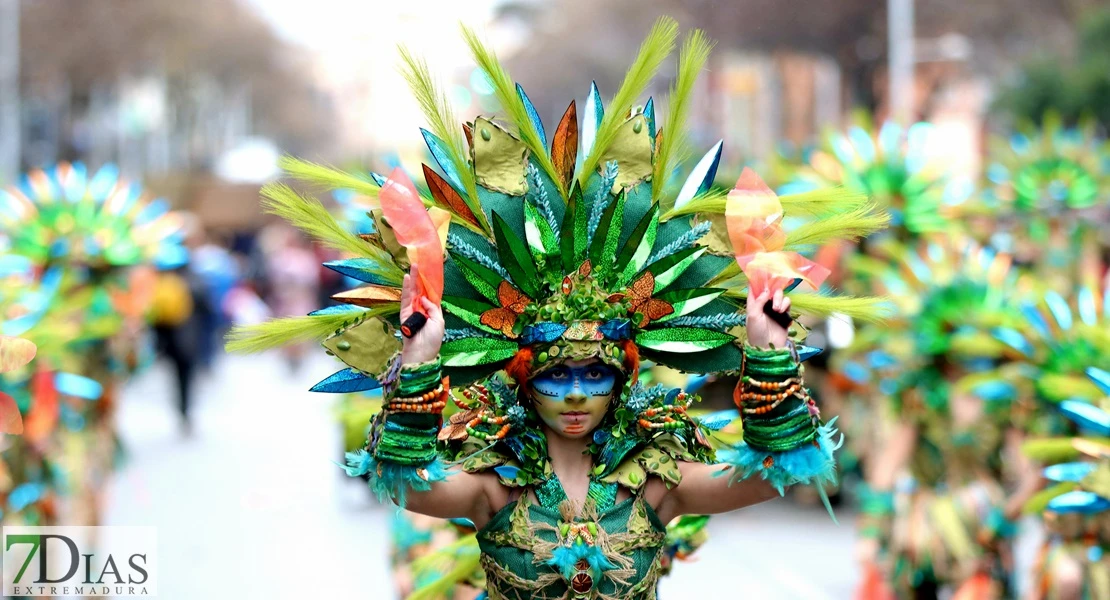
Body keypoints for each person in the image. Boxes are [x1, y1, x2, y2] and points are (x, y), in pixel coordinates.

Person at [228, 18, 888, 598]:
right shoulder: (494, 488)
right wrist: (422, 358)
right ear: (524, 379)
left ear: (623, 379)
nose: (575, 393)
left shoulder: (656, 486)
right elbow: (400, 479)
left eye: (594, 374)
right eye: (554, 375)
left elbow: (781, 468)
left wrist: (768, 352)